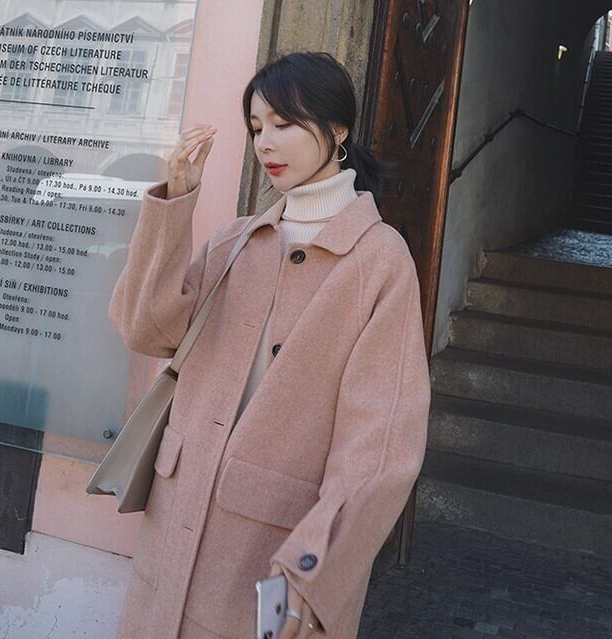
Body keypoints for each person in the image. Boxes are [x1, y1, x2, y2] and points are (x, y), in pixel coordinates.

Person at [110, 51, 431, 639]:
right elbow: (145, 329)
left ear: (338, 130)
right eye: (256, 127)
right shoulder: (237, 240)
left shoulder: (379, 262)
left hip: (269, 561)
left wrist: (313, 570)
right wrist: (172, 205)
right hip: (172, 537)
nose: (265, 143)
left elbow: (381, 448)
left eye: (284, 123)